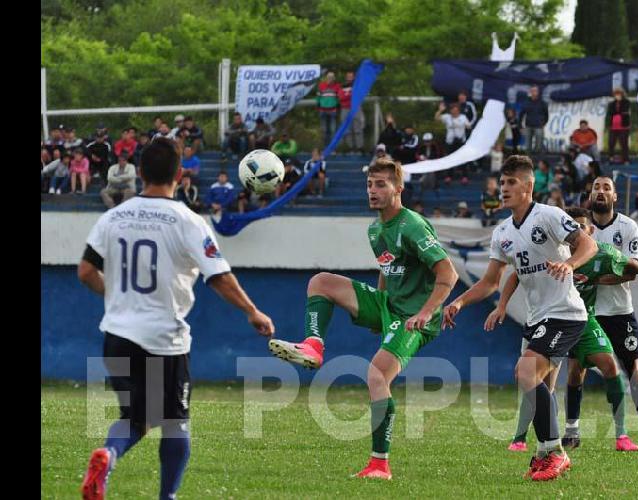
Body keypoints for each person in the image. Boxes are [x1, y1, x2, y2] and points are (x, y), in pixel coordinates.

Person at [77, 137, 275, 500]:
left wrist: (118, 296)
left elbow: (87, 271)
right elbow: (219, 276)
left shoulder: (113, 216)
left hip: (116, 335)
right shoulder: (187, 220)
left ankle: (109, 453)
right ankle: (166, 496)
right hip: (164, 339)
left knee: (136, 417)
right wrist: (252, 311)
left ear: (139, 172)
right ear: (179, 173)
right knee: (174, 421)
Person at [266, 157, 459, 480]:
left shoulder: (411, 226)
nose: (372, 190)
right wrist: (380, 310)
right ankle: (313, 346)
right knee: (321, 282)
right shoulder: (375, 229)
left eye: (381, 184)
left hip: (415, 316)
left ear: (398, 188)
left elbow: (448, 274)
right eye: (369, 184)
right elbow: (387, 270)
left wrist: (426, 313)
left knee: (375, 377)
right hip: (390, 307)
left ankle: (380, 465)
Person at [442, 154, 598, 481]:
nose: (504, 188)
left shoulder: (549, 216)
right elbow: (488, 283)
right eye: (502, 183)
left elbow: (588, 246)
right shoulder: (501, 233)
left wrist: (570, 265)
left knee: (526, 371)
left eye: (511, 183)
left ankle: (555, 452)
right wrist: (459, 302)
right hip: (539, 317)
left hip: (566, 313)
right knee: (530, 378)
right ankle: (544, 452)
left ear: (528, 187)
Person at [489, 206, 638, 453]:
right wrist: (501, 304)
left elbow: (629, 263)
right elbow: (515, 275)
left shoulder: (599, 253)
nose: (575, 231)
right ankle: (526, 437)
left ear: (589, 231)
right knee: (542, 379)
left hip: (583, 319)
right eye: (572, 226)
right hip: (550, 319)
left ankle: (621, 435)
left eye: (580, 227)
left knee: (609, 365)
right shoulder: (551, 250)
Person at [587, 175, 638, 452]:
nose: (601, 191)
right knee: (574, 370)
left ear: (615, 196)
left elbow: (631, 271)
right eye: (596, 187)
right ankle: (570, 432)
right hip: (586, 309)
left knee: (633, 368)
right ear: (590, 193)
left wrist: (594, 277)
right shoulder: (579, 228)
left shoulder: (628, 226)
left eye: (607, 188)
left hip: (619, 310)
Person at [339, 71, 366, 154]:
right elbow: (341, 97)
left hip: (356, 108)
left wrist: (348, 94)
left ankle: (359, 147)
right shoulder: (343, 86)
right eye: (348, 76)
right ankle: (350, 148)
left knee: (358, 128)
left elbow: (359, 95)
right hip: (345, 109)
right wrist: (350, 94)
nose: (350, 78)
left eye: (351, 76)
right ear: (346, 77)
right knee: (347, 129)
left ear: (354, 77)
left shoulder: (357, 85)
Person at [520, 86, 548, 153]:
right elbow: (521, 114)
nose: (534, 92)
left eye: (535, 91)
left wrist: (543, 123)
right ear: (530, 92)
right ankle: (528, 160)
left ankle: (536, 159)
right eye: (532, 91)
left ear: (538, 92)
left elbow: (546, 114)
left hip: (539, 126)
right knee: (527, 146)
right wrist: (520, 126)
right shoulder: (526, 102)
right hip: (528, 126)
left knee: (539, 146)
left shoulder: (542, 103)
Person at [607, 88, 631, 164]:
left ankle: (626, 159)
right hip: (613, 126)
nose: (617, 96)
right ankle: (610, 158)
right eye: (616, 94)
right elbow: (611, 112)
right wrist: (618, 112)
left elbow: (624, 110)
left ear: (622, 94)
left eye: (619, 94)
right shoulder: (611, 103)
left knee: (624, 143)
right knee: (611, 143)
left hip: (623, 126)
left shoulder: (626, 102)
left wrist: (618, 111)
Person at [317, 72, 342, 145]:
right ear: (326, 78)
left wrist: (336, 105)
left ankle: (332, 147)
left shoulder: (337, 86)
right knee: (324, 130)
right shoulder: (321, 86)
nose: (330, 79)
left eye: (331, 77)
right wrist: (319, 106)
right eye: (328, 77)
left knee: (333, 130)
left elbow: (339, 97)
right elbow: (318, 97)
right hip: (323, 110)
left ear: (334, 79)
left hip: (333, 110)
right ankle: (325, 146)